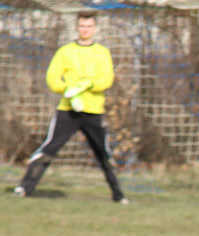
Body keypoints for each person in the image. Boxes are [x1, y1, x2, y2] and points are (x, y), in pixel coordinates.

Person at [13, 11, 128, 204]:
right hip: (68, 110)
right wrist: (69, 90)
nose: (86, 30)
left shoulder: (102, 52)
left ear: (95, 29)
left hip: (93, 111)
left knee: (103, 153)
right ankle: (25, 188)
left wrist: (88, 85)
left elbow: (107, 79)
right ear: (77, 28)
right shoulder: (65, 51)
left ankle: (119, 195)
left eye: (89, 26)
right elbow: (52, 78)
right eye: (82, 26)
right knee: (50, 148)